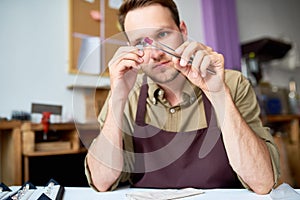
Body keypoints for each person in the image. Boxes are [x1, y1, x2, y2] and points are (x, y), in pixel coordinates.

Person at [85, 0, 280, 194]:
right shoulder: (127, 93)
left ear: (183, 30)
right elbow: (102, 181)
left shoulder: (232, 84)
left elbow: (262, 182)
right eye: (141, 43)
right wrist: (117, 98)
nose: (155, 53)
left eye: (162, 34)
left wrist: (218, 93)